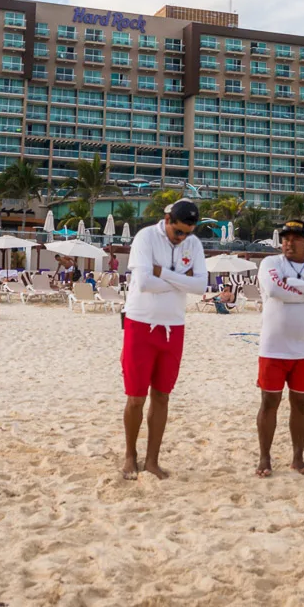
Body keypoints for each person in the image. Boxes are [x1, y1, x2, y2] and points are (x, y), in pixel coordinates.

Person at [120, 199, 207, 480]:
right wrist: (182, 279)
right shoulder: (145, 237)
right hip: (140, 322)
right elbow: (144, 283)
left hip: (174, 325)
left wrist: (163, 273)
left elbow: (200, 286)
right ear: (167, 219)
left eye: (187, 233)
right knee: (136, 397)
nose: (182, 238)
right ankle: (130, 455)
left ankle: (152, 460)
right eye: (178, 231)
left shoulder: (193, 244)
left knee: (162, 395)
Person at [256, 219, 304, 478]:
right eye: (285, 238)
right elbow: (273, 288)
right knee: (269, 402)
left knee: (301, 404)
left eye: (295, 238)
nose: (289, 242)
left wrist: (296, 285)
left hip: (303, 349)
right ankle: (264, 457)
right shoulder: (270, 264)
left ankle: (297, 458)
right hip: (273, 347)